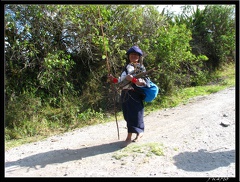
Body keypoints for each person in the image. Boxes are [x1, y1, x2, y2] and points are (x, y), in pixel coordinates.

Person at [108, 45, 147, 147]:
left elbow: (143, 83)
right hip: (125, 93)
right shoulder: (127, 67)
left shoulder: (140, 68)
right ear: (129, 56)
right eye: (131, 54)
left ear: (138, 57)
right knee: (127, 115)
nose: (133, 56)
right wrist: (113, 79)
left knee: (135, 115)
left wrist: (133, 80)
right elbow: (121, 81)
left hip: (135, 94)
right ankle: (138, 132)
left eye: (135, 55)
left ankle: (131, 136)